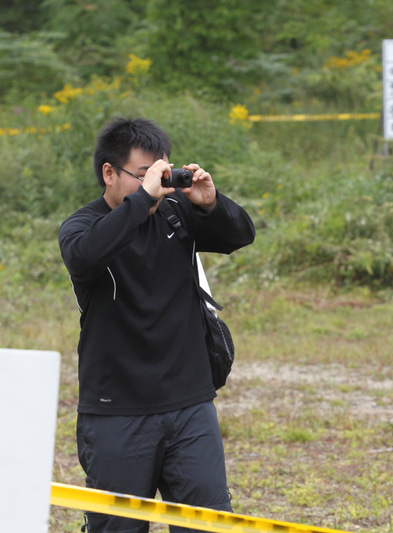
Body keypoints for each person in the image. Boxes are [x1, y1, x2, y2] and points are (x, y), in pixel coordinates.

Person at [59, 117, 256, 532]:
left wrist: (209, 202)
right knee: (118, 528)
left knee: (210, 525)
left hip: (189, 404)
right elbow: (86, 256)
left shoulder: (175, 213)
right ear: (108, 173)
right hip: (117, 412)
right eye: (143, 175)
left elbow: (240, 235)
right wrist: (141, 200)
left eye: (161, 174)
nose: (157, 185)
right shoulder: (82, 227)